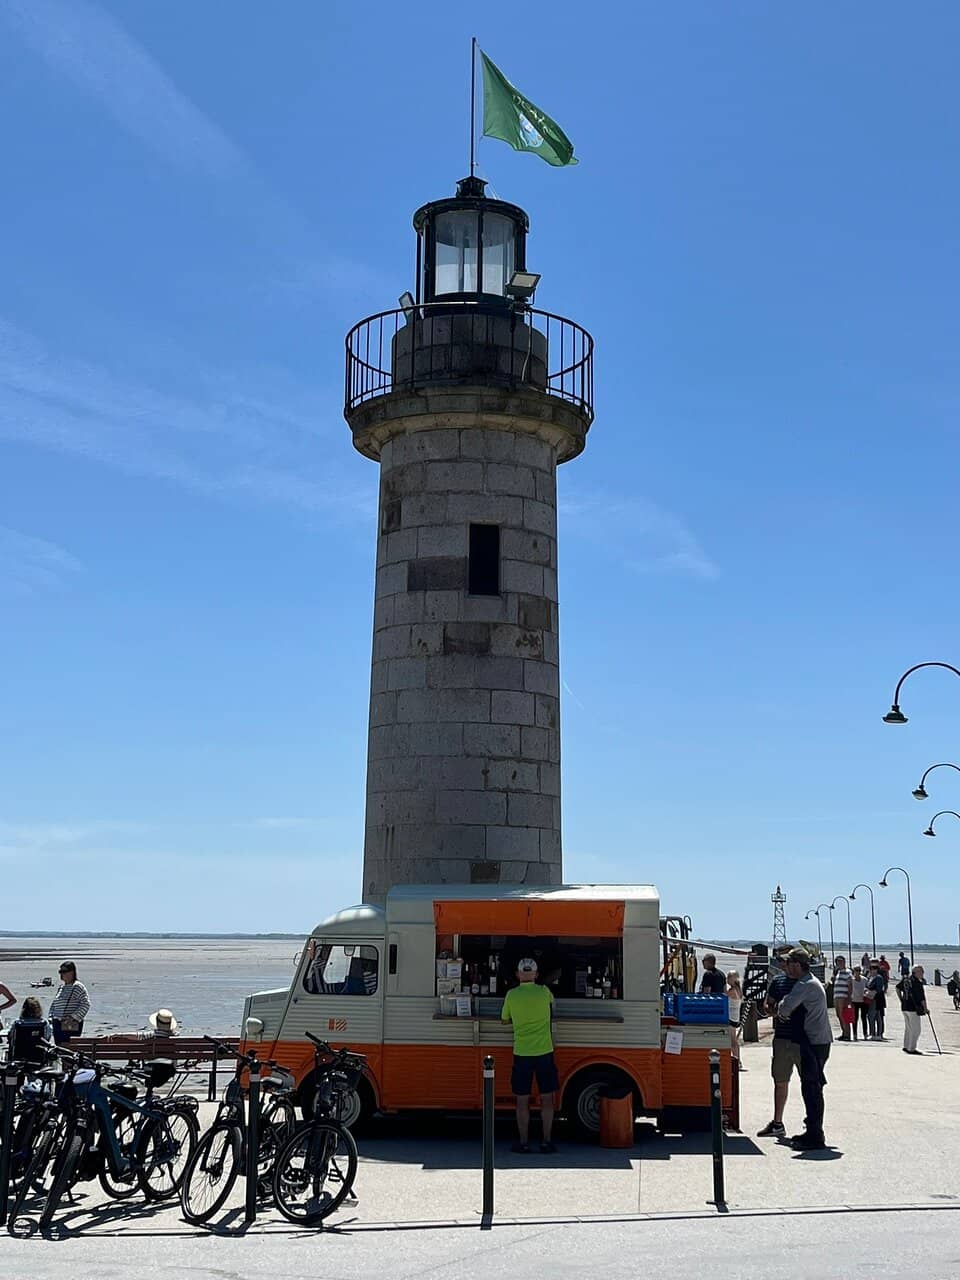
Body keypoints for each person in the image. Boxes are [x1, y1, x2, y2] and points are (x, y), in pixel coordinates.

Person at [775, 948, 832, 1150]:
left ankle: (816, 1135)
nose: (785, 967)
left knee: (812, 1088)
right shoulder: (810, 982)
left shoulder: (805, 985)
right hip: (818, 1041)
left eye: (788, 964)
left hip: (813, 1042)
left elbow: (785, 1008)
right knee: (812, 1087)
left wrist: (784, 1006)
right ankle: (813, 1130)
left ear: (798, 965)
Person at [500, 958, 558, 1154]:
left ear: (517, 975)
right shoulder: (544, 992)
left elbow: (504, 1020)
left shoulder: (511, 995)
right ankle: (546, 1141)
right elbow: (553, 1006)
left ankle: (523, 1142)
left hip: (522, 1052)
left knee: (522, 1100)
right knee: (547, 1098)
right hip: (544, 1051)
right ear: (536, 974)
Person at [756, 963, 801, 1139]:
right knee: (780, 1081)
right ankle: (777, 1123)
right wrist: (776, 1012)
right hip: (782, 1037)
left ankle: (812, 1125)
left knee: (809, 1083)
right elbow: (768, 1004)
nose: (786, 965)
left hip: (802, 1038)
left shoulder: (805, 982)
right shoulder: (778, 981)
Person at [48, 960, 90, 1045]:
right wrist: (51, 1017)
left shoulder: (77, 986)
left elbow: (85, 1004)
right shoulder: (61, 987)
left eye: (64, 971)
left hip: (69, 1025)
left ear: (72, 972)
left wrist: (73, 1017)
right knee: (59, 1048)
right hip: (57, 1024)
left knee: (67, 1048)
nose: (61, 974)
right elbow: (55, 1004)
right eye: (60, 971)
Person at [897, 964, 928, 1055]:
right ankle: (911, 1048)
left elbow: (897, 988)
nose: (923, 973)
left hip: (905, 1007)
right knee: (916, 1029)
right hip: (913, 1008)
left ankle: (906, 1046)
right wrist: (925, 1009)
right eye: (921, 971)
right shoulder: (917, 983)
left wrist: (901, 999)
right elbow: (921, 998)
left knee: (908, 1028)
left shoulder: (906, 979)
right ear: (916, 973)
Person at [831, 956, 853, 1041]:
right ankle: (844, 1033)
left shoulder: (848, 972)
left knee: (843, 1015)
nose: (839, 963)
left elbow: (850, 986)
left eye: (841, 961)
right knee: (839, 1015)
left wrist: (849, 997)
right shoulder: (838, 972)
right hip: (837, 996)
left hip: (843, 996)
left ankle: (847, 1034)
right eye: (837, 962)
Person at [726, 971, 744, 1069]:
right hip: (735, 1017)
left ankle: (737, 1060)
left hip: (730, 1017)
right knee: (734, 1040)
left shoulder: (732, 991)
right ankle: (737, 1059)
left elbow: (724, 996)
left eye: (729, 977)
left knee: (732, 1040)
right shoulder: (738, 990)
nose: (727, 978)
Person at [865, 960, 886, 1039]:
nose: (872, 970)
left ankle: (878, 1034)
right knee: (871, 1017)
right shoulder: (870, 977)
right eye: (871, 968)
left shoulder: (878, 977)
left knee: (878, 1017)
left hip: (877, 1000)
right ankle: (872, 1033)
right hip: (870, 999)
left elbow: (879, 989)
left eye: (874, 968)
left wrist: (870, 992)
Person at [850, 965, 867, 1042]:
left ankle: (865, 1034)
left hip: (863, 1001)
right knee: (854, 1018)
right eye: (856, 970)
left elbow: (867, 988)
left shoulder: (864, 979)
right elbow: (849, 990)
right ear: (854, 971)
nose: (858, 972)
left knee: (864, 1018)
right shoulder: (851, 980)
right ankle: (855, 1034)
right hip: (854, 1001)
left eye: (859, 970)